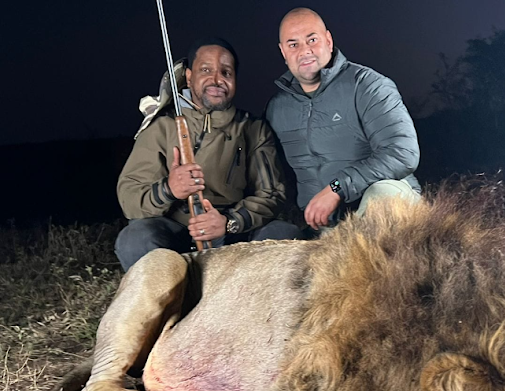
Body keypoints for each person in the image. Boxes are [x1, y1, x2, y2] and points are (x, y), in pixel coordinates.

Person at [116, 37, 302, 271]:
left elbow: (272, 194)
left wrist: (229, 223)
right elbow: (130, 197)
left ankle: (248, 297)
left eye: (226, 72)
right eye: (206, 70)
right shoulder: (161, 128)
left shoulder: (253, 128)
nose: (217, 80)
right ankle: (173, 299)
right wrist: (169, 189)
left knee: (284, 233)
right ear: (190, 76)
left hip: (233, 234)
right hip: (178, 235)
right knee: (135, 239)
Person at [265, 8, 421, 233]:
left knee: (383, 196)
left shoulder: (368, 86)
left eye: (312, 39)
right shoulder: (276, 109)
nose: (304, 51)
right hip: (324, 228)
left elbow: (402, 154)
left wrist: (337, 188)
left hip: (387, 217)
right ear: (283, 52)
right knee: (273, 233)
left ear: (328, 40)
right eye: (293, 44)